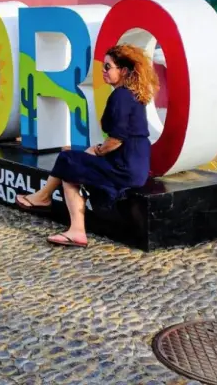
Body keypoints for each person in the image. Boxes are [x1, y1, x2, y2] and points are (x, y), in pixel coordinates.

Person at [15, 44, 159, 248]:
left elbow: (117, 138)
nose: (103, 71)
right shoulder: (134, 95)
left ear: (124, 71)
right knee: (73, 161)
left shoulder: (120, 96)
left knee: (68, 161)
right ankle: (46, 200)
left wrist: (99, 151)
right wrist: (98, 149)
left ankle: (67, 221)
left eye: (108, 67)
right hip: (134, 165)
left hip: (124, 168)